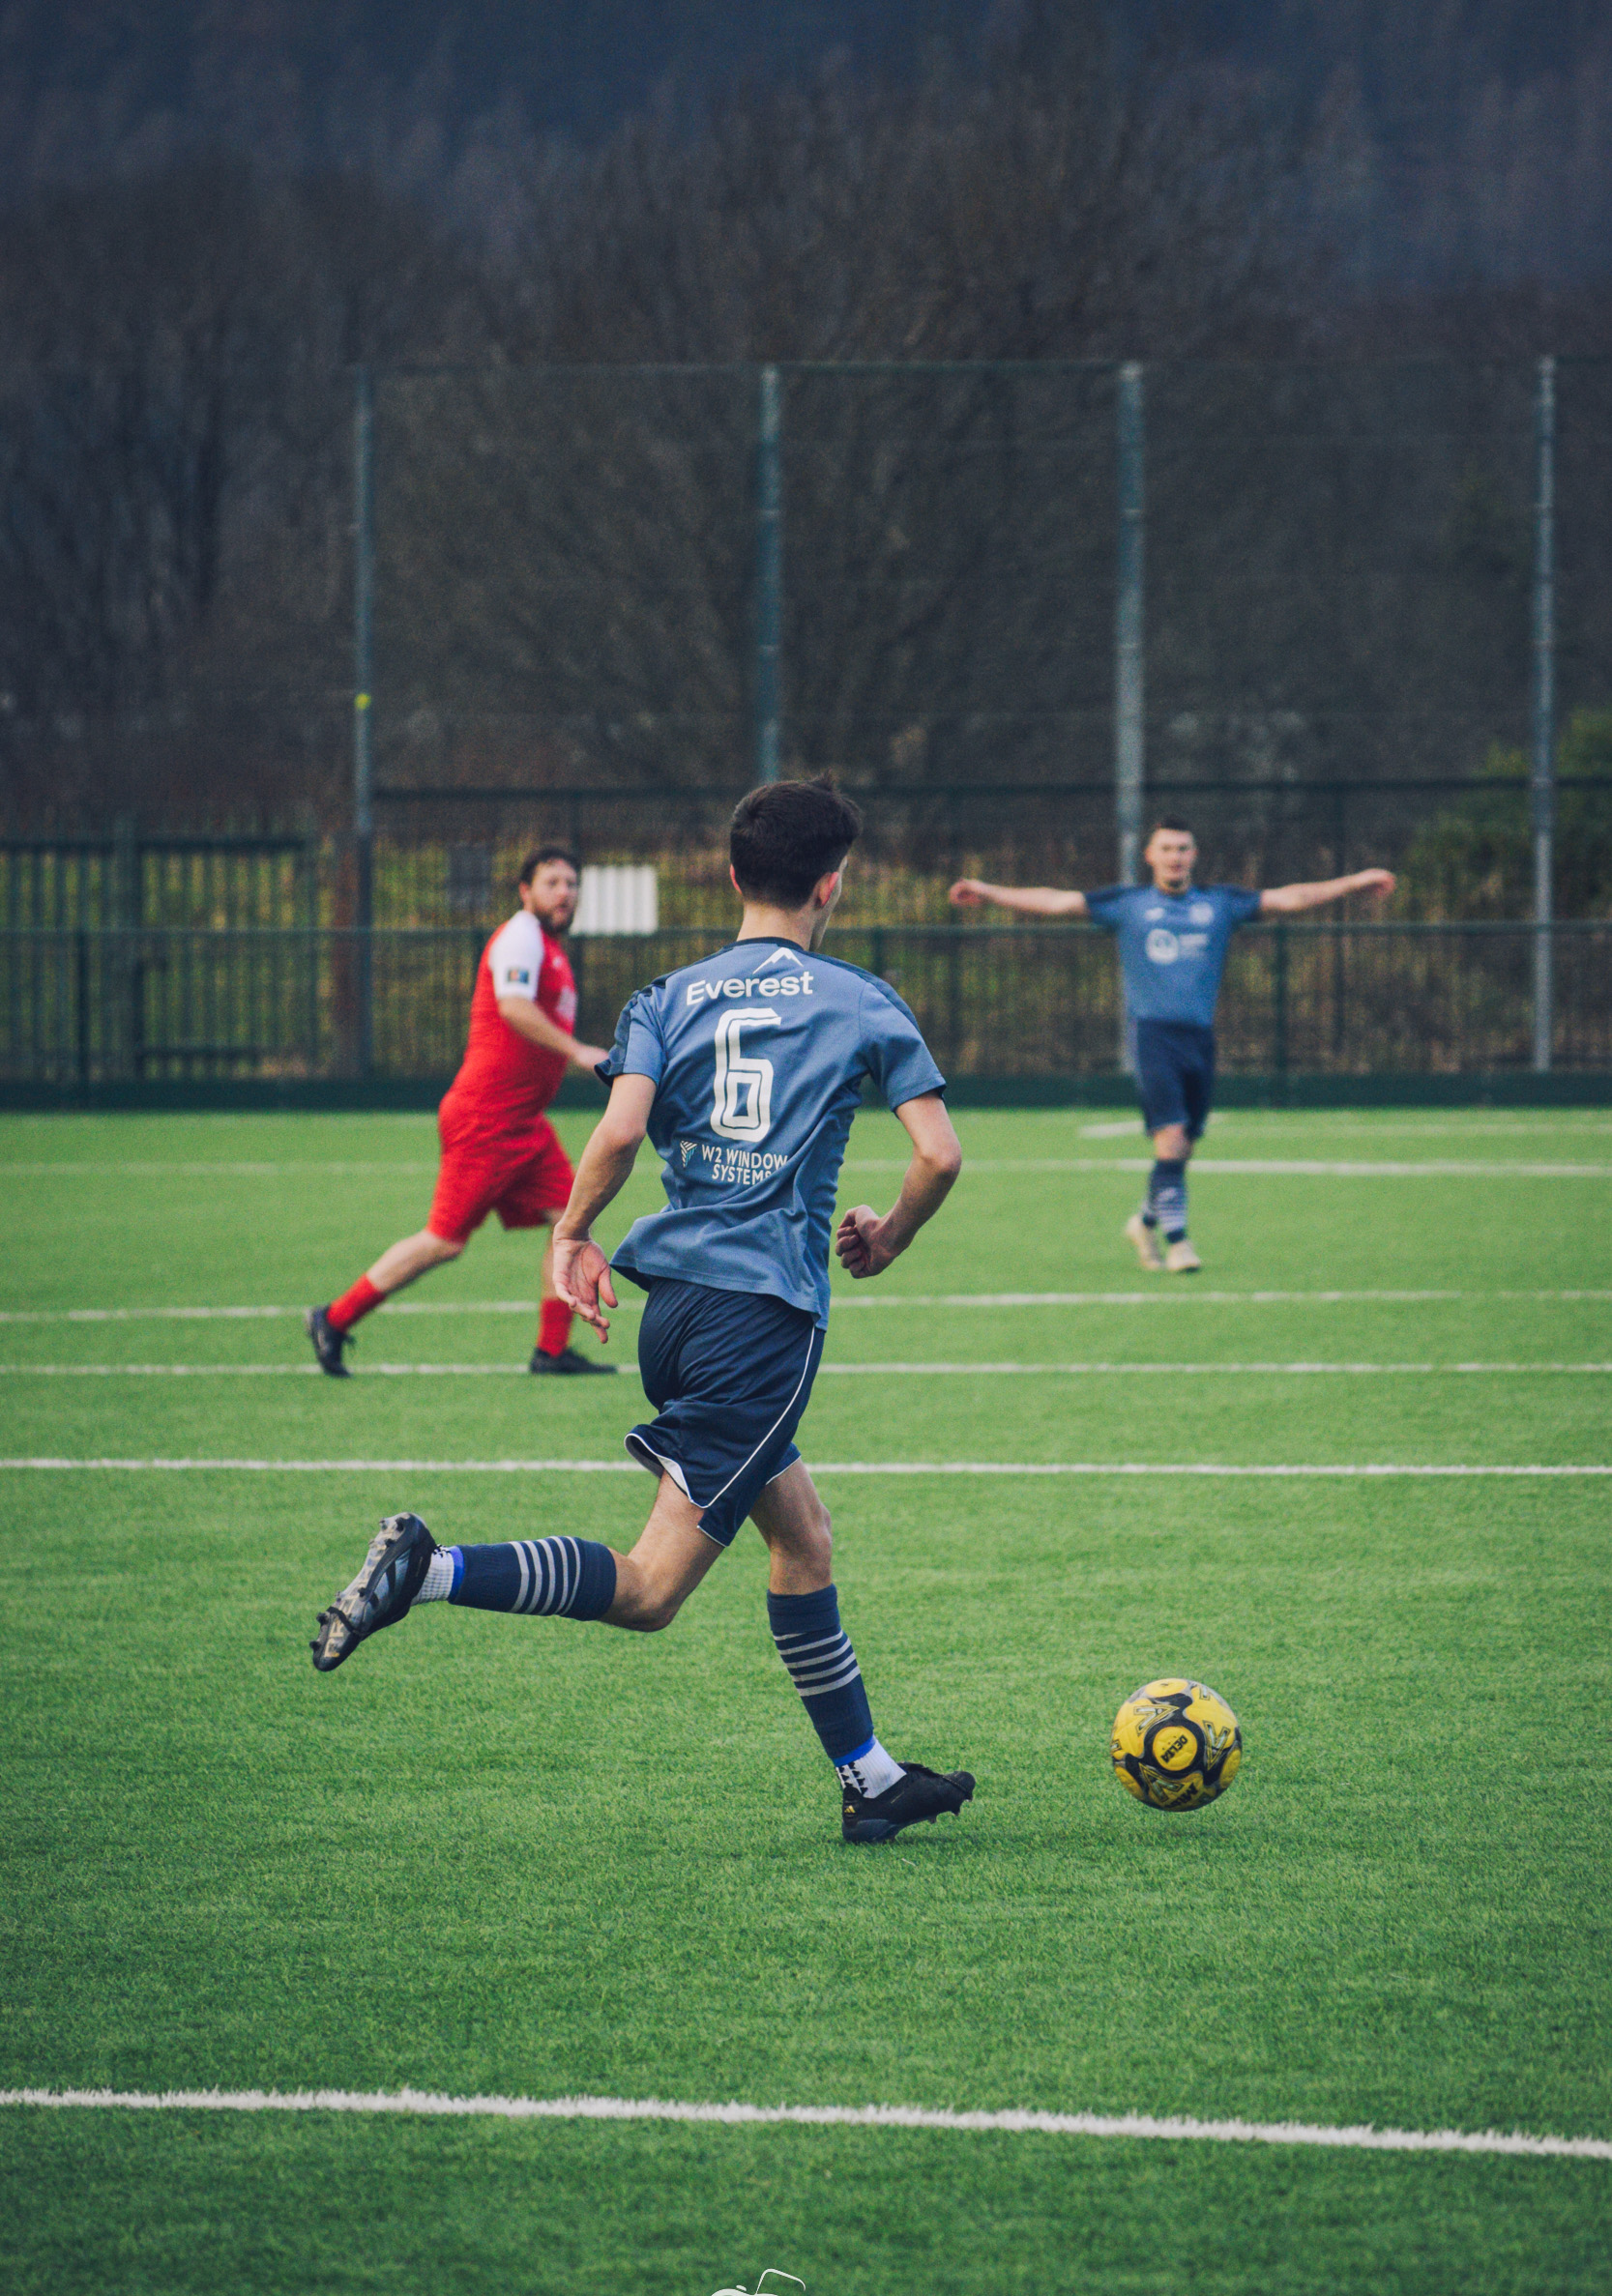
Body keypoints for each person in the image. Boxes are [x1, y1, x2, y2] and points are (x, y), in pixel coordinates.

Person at [309, 777, 976, 1846]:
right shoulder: (861, 999)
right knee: (651, 1588)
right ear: (830, 885)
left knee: (801, 1534)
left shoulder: (663, 997)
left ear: (728, 876)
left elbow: (618, 1135)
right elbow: (938, 1154)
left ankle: (868, 1778)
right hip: (760, 1321)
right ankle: (427, 1569)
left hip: (672, 1316)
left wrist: (572, 1233)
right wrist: (886, 1236)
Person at [951, 821, 1395, 1270]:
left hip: (1200, 1039)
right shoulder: (1129, 905)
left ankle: (1144, 1222)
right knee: (1171, 1139)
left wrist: (1354, 883)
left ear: (1194, 855)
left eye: (1182, 848)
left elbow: (1289, 897)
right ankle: (1179, 1243)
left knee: (1182, 1148)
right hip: (1154, 1037)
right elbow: (1054, 900)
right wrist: (988, 892)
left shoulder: (1219, 903)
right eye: (1166, 848)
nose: (1175, 856)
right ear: (1150, 855)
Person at [305, 843, 612, 1377]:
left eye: (572, 883)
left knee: (570, 1219)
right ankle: (333, 1319)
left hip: (525, 1124)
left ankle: (552, 1350)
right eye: (552, 882)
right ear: (525, 891)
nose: (565, 892)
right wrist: (579, 1052)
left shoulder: (551, 948)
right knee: (443, 1241)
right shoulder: (520, 935)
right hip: (487, 1120)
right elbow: (513, 1008)